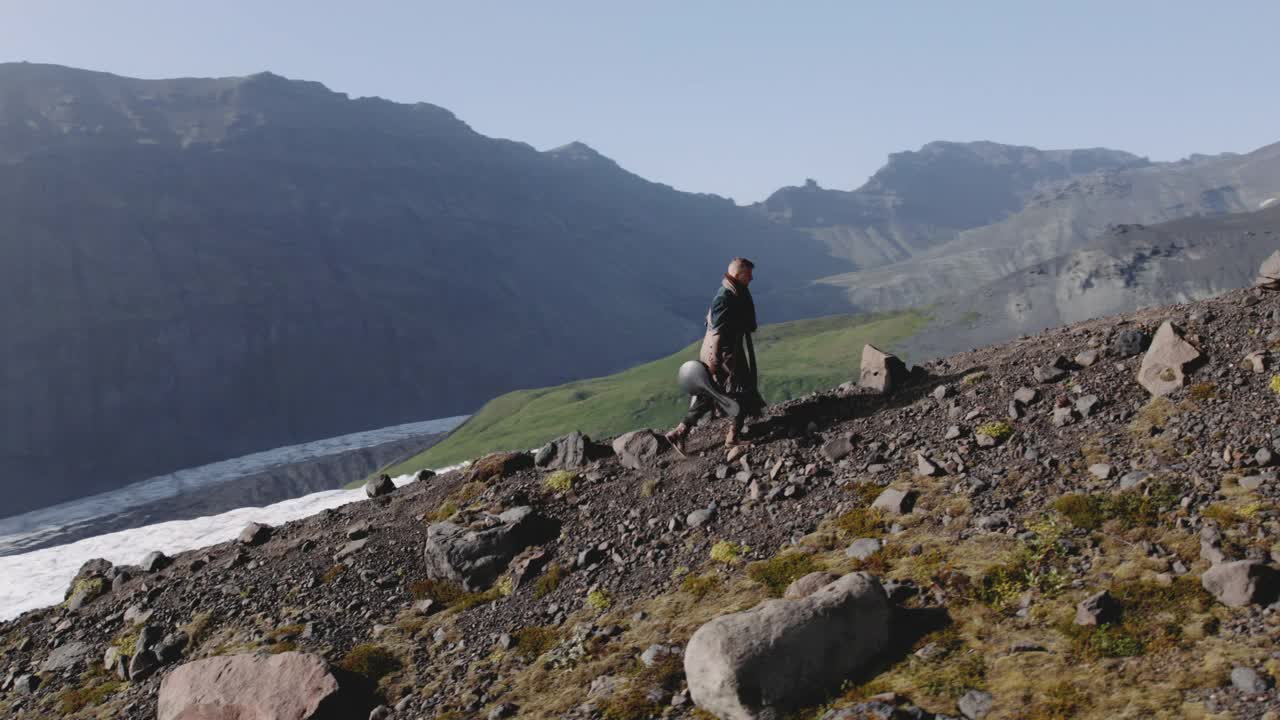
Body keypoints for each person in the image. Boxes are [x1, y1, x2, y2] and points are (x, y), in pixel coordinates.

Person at [665, 257, 765, 453]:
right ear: (738, 275)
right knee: (740, 392)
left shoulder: (736, 292)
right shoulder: (724, 297)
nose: (752, 278)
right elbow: (716, 332)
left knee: (711, 394)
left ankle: (679, 432)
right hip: (725, 357)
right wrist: (715, 363)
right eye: (748, 274)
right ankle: (732, 438)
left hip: (731, 352)